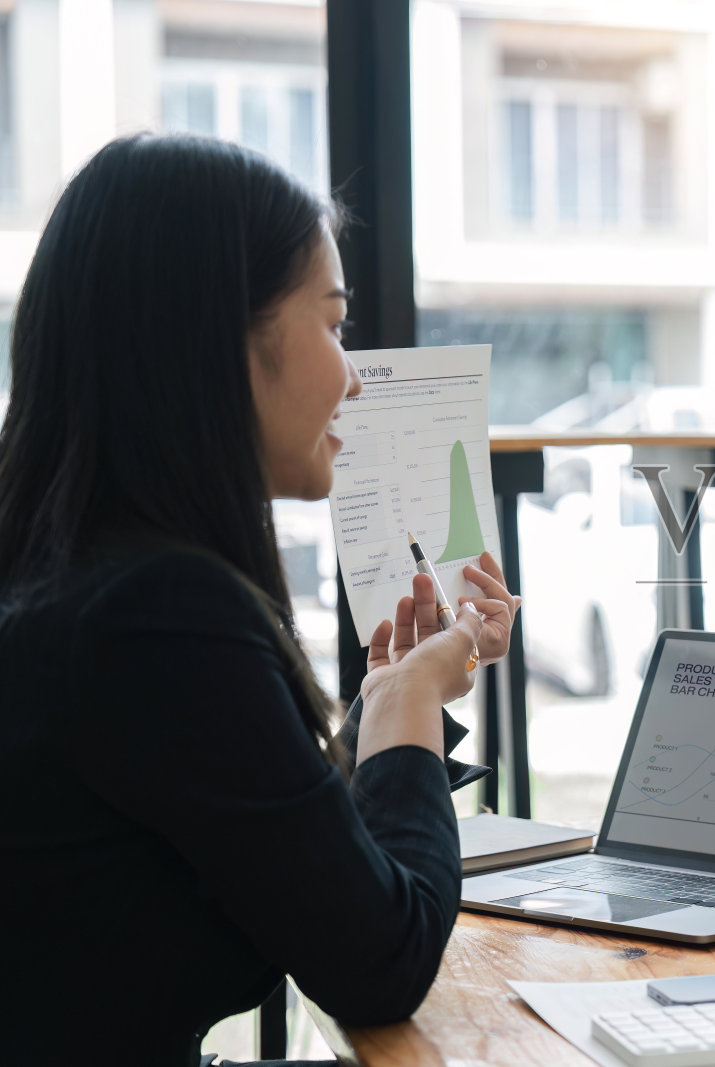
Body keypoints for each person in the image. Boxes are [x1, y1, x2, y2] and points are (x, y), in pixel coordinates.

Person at [0, 134, 521, 1065]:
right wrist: (409, 704)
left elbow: (276, 845)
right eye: (333, 324)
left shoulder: (71, 572)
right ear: (218, 340)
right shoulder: (157, 609)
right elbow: (379, 958)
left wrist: (379, 715)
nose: (353, 376)